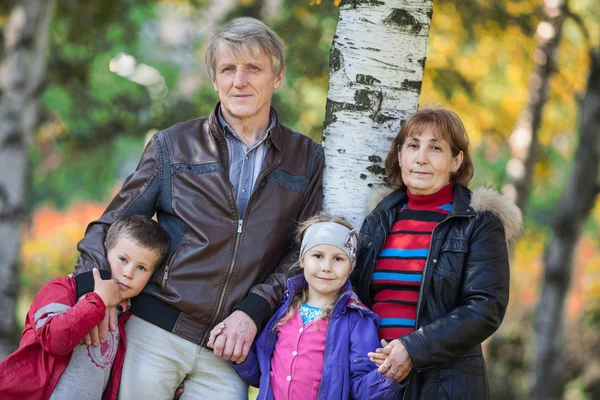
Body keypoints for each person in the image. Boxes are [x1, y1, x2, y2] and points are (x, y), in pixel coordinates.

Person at [72, 17, 324, 399]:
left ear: (278, 77)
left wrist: (253, 311)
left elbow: (302, 252)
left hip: (231, 348)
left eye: (253, 68)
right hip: (155, 333)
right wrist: (92, 294)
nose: (239, 81)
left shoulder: (306, 158)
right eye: (228, 69)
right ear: (214, 80)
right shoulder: (174, 145)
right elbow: (112, 225)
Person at [351, 108, 523, 399]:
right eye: (413, 145)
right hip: (372, 381)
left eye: (436, 148)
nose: (421, 158)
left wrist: (413, 349)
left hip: (443, 384)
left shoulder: (477, 222)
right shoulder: (379, 219)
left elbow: (485, 307)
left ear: (456, 161)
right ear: (400, 155)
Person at [208, 214, 406, 400]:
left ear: (350, 266)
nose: (326, 267)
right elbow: (262, 375)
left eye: (338, 258)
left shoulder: (357, 320)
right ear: (302, 260)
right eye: (317, 255)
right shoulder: (283, 310)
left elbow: (360, 388)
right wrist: (239, 355)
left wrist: (387, 376)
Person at [0, 215, 170, 400]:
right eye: (123, 259)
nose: (128, 273)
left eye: (141, 268)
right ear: (104, 252)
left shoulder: (127, 317)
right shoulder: (62, 290)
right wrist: (98, 301)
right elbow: (54, 341)